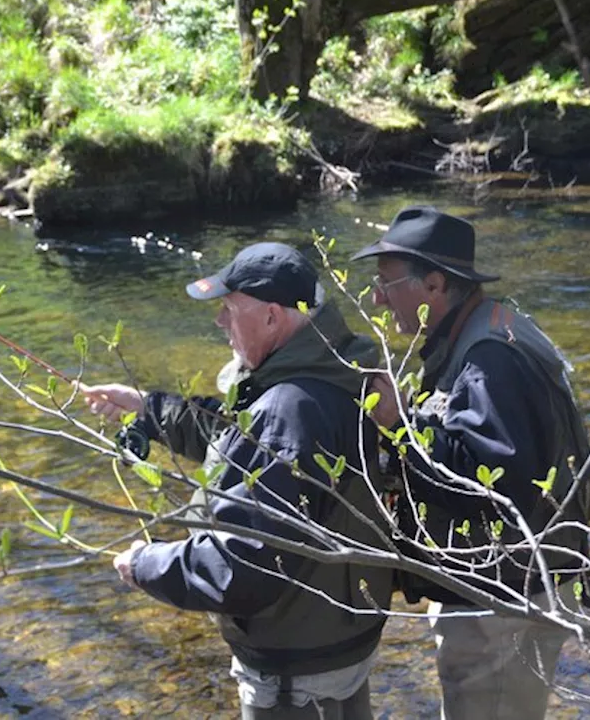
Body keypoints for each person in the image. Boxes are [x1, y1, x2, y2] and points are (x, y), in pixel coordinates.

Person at [80, 242, 395, 719]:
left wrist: (146, 563)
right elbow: (241, 436)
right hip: (336, 645)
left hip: (295, 679)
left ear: (271, 317)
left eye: (229, 310)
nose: (219, 324)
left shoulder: (289, 409)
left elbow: (243, 569)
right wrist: (149, 408)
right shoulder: (334, 374)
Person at [351, 206, 590, 720]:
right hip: (506, 594)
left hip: (506, 607)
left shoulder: (490, 360)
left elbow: (493, 489)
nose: (377, 297)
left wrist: (399, 426)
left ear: (436, 284)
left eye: (386, 282)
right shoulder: (487, 329)